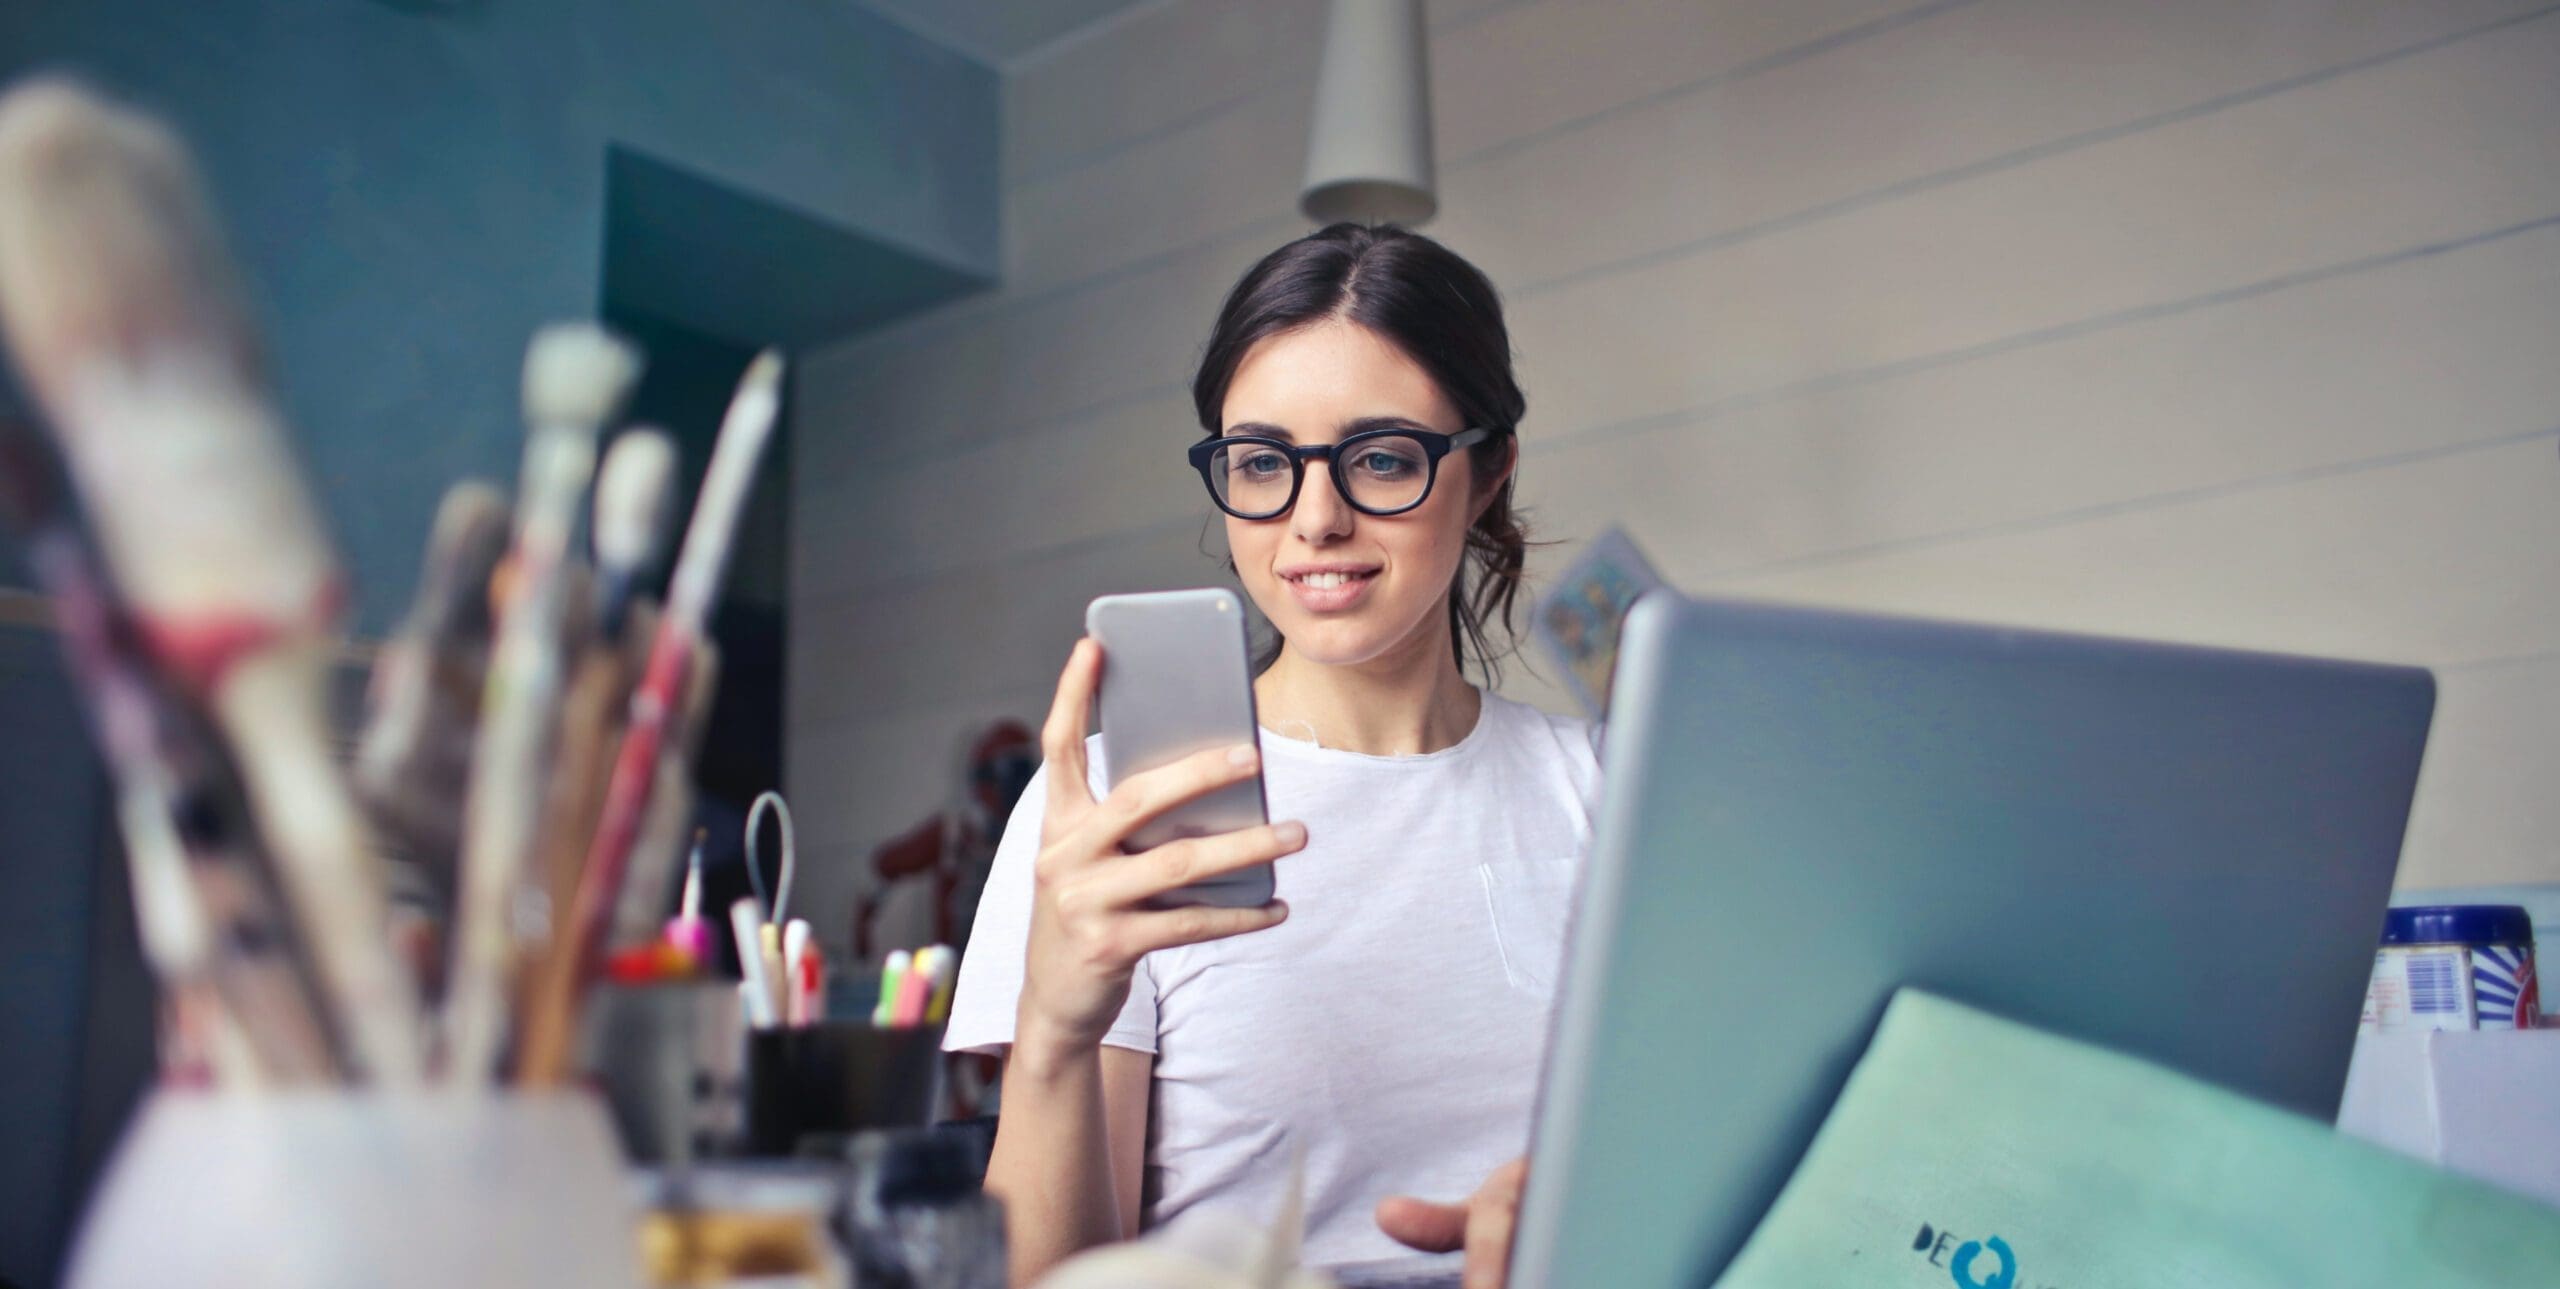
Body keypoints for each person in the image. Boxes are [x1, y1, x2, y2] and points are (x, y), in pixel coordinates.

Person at [945, 223, 1599, 1289]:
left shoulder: (1608, 791)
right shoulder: (1119, 808)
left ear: (1486, 473)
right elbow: (1046, 1280)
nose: (1315, 518)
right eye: (1262, 463)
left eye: (1381, 457)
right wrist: (1056, 1027)